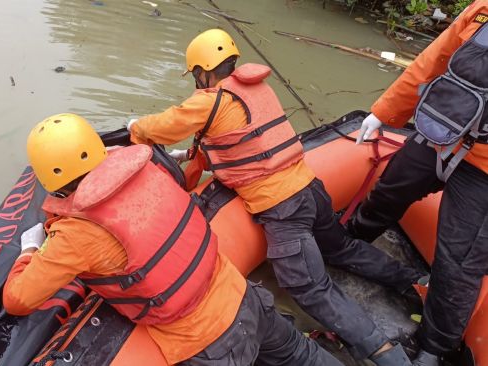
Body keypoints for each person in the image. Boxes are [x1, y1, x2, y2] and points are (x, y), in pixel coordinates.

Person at [128, 29, 419, 365]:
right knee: (341, 247)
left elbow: (164, 125)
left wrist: (136, 127)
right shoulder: (255, 89)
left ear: (202, 71)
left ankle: (386, 355)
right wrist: (187, 159)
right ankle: (410, 280)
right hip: (311, 188)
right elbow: (238, 143)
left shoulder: (211, 101)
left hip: (283, 209)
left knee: (310, 288)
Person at [3, 113, 341, 365]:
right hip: (243, 295)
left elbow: (18, 299)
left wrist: (30, 249)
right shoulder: (149, 169)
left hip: (209, 342)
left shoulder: (75, 234)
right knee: (302, 354)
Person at [348, 1, 488, 365]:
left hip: (485, 170)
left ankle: (434, 348)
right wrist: (383, 112)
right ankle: (350, 240)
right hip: (445, 133)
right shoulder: (480, 13)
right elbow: (435, 59)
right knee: (393, 185)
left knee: (457, 262)